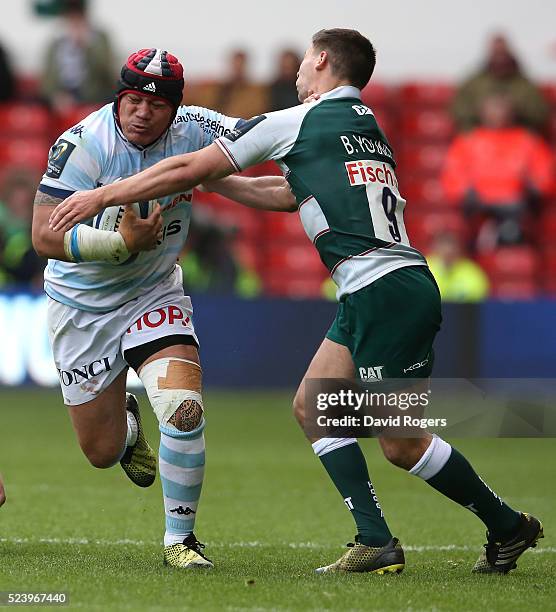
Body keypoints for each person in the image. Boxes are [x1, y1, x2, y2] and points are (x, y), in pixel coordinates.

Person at [49, 30, 544, 576]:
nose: (298, 74)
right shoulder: (365, 127)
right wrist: (219, 183)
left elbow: (193, 168)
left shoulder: (301, 118)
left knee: (401, 443)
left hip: (385, 292)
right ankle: (375, 539)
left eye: (306, 63)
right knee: (313, 408)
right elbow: (289, 193)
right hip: (372, 289)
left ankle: (506, 525)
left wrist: (101, 195)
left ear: (323, 61)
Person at [32, 48, 296, 569]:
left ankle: (181, 540)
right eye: (133, 100)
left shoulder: (196, 127)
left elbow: (260, 136)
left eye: (156, 104)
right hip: (82, 306)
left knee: (181, 406)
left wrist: (311, 173)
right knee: (101, 452)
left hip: (154, 292)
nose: (142, 112)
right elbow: (43, 235)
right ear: (119, 99)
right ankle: (127, 429)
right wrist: (120, 243)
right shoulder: (84, 144)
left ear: (175, 109)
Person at [443, 94, 554, 251]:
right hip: (479, 210)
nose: (497, 114)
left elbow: (544, 177)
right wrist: (471, 196)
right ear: (481, 112)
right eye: (492, 109)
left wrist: (529, 189)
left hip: (520, 209)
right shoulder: (467, 141)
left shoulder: (528, 140)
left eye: (501, 108)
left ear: (512, 112)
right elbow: (453, 178)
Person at [452, 34, 548, 133]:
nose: (500, 58)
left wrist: (514, 110)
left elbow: (540, 115)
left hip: (516, 137)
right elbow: (458, 111)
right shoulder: (473, 83)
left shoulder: (525, 85)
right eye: (496, 53)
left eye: (502, 53)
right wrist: (482, 111)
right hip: (480, 137)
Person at [41, 0, 114, 110]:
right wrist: (56, 95)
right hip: (62, 92)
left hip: (92, 95)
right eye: (70, 16)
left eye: (78, 15)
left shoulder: (100, 38)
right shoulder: (56, 42)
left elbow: (107, 73)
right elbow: (47, 78)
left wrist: (87, 47)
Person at [426, 232, 490, 302]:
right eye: (443, 248)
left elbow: (479, 293)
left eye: (451, 249)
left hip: (461, 311)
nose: (447, 252)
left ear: (458, 250)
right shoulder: (423, 268)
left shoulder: (471, 271)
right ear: (435, 248)